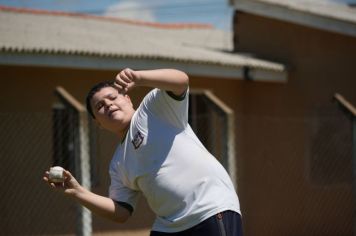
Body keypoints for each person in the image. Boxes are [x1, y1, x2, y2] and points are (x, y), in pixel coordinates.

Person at [44, 68, 243, 236]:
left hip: (209, 209)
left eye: (112, 97)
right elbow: (121, 212)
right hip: (169, 227)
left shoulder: (153, 108)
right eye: (100, 107)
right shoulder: (118, 163)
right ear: (99, 124)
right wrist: (77, 192)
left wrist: (139, 77)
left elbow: (181, 80)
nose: (108, 105)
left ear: (127, 99)